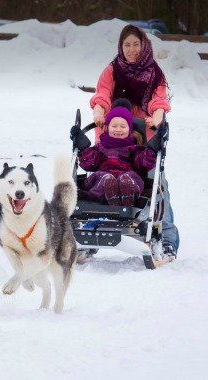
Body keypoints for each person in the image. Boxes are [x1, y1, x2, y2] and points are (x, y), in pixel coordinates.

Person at [88, 23, 179, 256]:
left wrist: (157, 118)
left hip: (143, 140)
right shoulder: (112, 70)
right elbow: (103, 95)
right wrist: (99, 111)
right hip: (113, 137)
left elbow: (159, 102)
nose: (131, 49)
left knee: (157, 184)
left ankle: (166, 236)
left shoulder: (155, 73)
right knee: (100, 177)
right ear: (121, 46)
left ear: (144, 45)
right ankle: (90, 232)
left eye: (136, 44)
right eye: (127, 45)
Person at [72, 102, 161, 207]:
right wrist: (83, 146)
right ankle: (111, 193)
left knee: (132, 177)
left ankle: (127, 195)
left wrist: (152, 148)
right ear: (107, 128)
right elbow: (90, 162)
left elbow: (143, 163)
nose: (118, 129)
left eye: (123, 126)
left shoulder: (134, 148)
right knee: (102, 177)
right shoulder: (100, 147)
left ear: (129, 130)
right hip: (103, 176)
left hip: (126, 175)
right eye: (114, 126)